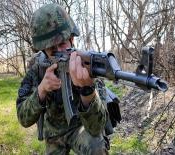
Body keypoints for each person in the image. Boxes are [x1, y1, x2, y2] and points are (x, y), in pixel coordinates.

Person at [16, 3, 109, 155]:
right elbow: (23, 118)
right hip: (53, 133)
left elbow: (97, 128)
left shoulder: (86, 63)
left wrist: (87, 91)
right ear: (44, 51)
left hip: (80, 127)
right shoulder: (37, 67)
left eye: (62, 44)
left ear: (71, 39)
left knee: (97, 146)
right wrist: (41, 90)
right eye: (52, 49)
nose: (60, 52)